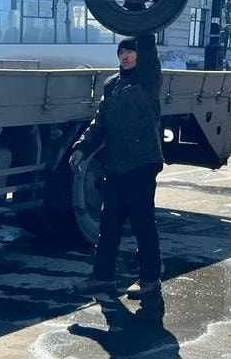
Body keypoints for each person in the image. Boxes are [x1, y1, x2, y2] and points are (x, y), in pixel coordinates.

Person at [71, 33, 164, 301]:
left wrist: (143, 28)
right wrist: (82, 147)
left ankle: (149, 280)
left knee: (142, 224)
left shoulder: (147, 79)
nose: (125, 56)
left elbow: (149, 55)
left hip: (142, 163)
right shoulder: (112, 85)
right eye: (121, 52)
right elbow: (100, 123)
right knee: (108, 225)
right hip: (116, 164)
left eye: (130, 51)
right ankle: (102, 278)